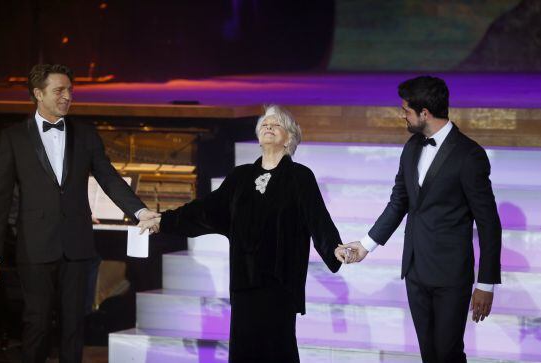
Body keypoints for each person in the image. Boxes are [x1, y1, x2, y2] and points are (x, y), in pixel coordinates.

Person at [139, 105, 342, 363]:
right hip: (245, 284)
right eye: (265, 124)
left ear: (289, 138)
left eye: (276, 124)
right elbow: (204, 211)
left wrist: (333, 247)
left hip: (279, 285)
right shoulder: (240, 177)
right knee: (244, 353)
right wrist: (164, 220)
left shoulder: (300, 177)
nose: (268, 127)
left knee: (278, 352)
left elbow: (318, 219)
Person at [0, 64, 159, 363]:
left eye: (70, 90)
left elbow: (108, 177)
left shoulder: (85, 134)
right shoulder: (13, 138)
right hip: (34, 246)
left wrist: (139, 211)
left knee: (74, 325)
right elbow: (0, 199)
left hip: (77, 245)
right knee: (38, 324)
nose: (67, 96)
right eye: (59, 90)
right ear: (38, 94)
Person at [335, 76, 502, 362]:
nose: (402, 115)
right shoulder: (412, 146)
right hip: (415, 270)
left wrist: (485, 283)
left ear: (424, 113)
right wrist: (365, 245)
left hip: (450, 275)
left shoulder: (469, 155)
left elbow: (489, 223)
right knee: (429, 354)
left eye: (406, 110)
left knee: (448, 353)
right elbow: (399, 201)